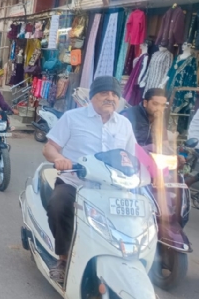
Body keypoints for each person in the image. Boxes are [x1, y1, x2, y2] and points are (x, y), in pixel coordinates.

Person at [42, 76, 136, 283]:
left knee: (138, 214)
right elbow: (50, 147)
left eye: (114, 94)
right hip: (75, 182)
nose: (110, 98)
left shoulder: (124, 125)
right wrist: (59, 158)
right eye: (104, 93)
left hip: (112, 188)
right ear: (93, 96)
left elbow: (131, 157)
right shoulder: (72, 117)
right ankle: (63, 260)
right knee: (58, 206)